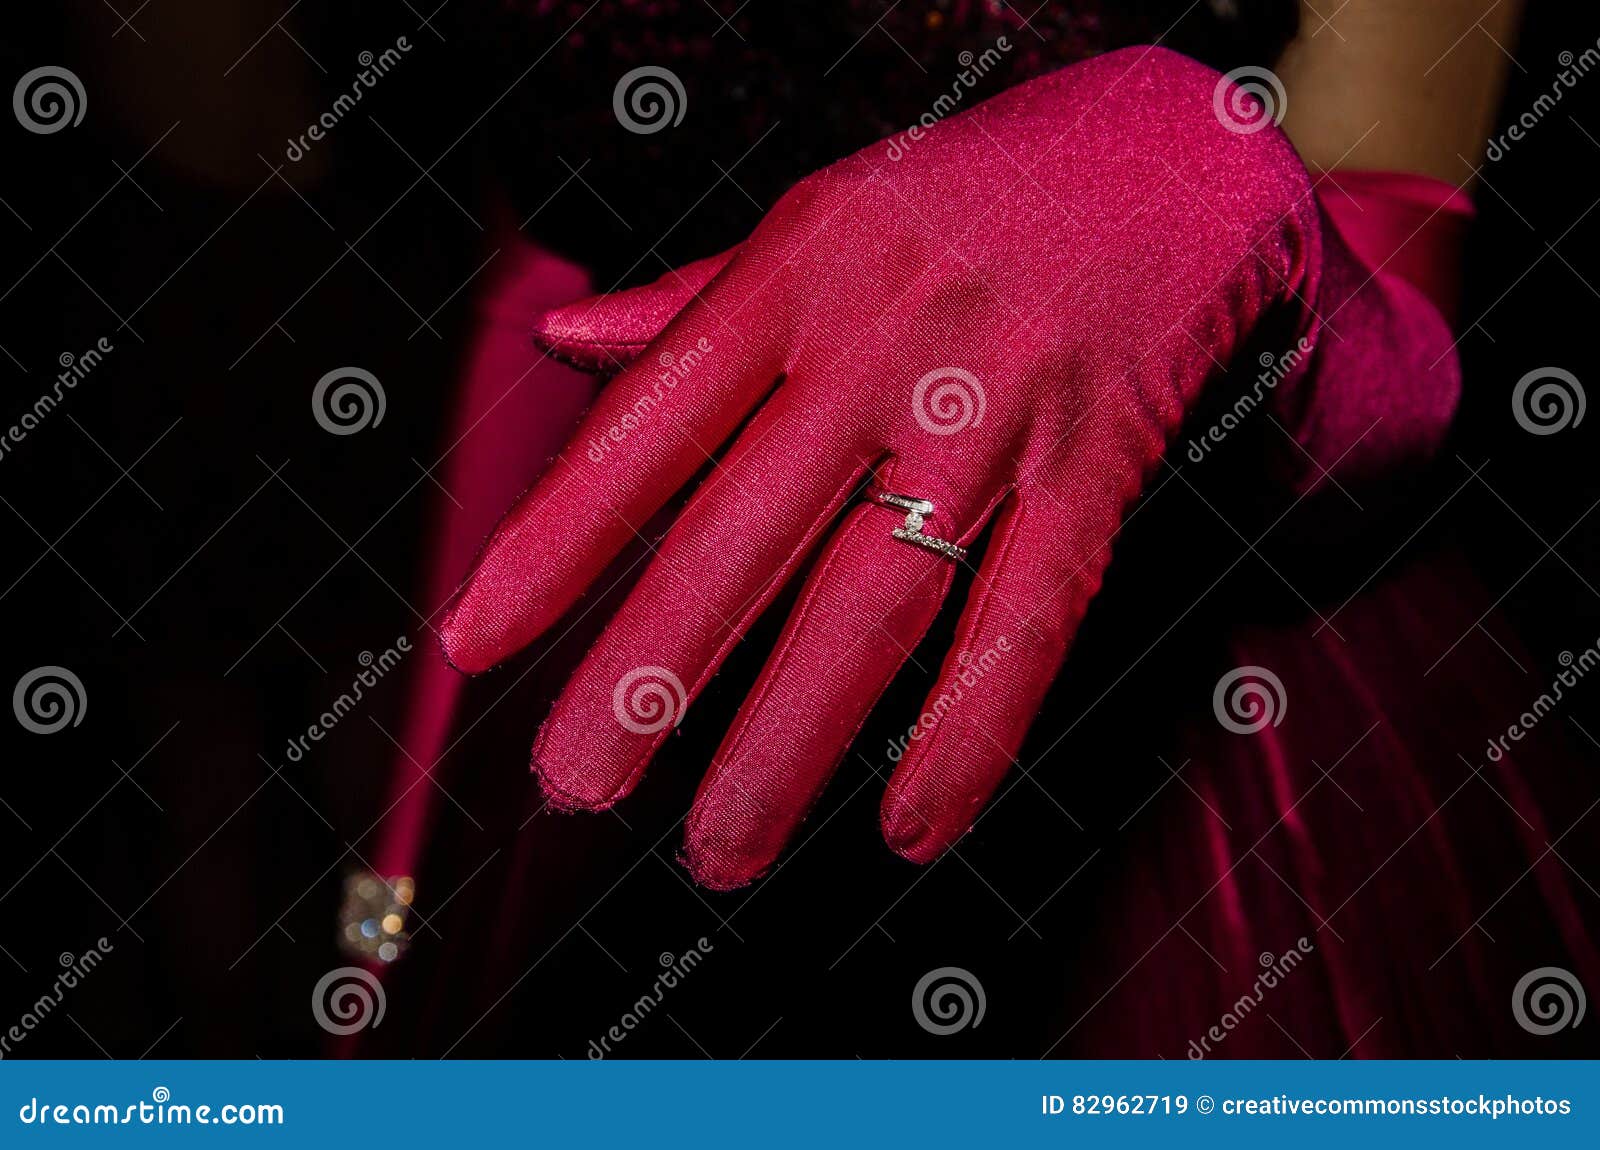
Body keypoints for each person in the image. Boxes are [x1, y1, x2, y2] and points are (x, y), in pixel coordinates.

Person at [354, 1, 1599, 1057]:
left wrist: (1226, 206)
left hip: (1182, 699)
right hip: (605, 558)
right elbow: (252, 193)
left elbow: (1412, 354)